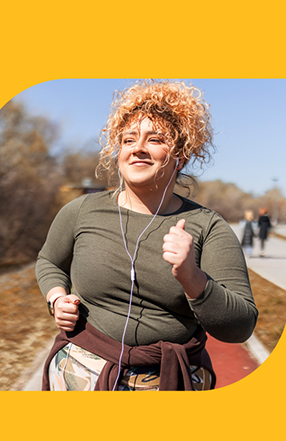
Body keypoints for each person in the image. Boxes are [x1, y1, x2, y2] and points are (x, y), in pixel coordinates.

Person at [36, 80, 258, 391]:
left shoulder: (208, 227)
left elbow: (241, 326)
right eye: (128, 140)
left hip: (172, 380)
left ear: (180, 156)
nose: (138, 147)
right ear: (119, 152)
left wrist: (192, 278)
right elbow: (49, 261)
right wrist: (56, 298)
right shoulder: (81, 211)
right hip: (81, 373)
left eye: (155, 139)